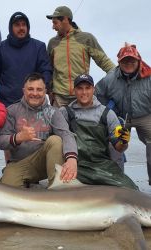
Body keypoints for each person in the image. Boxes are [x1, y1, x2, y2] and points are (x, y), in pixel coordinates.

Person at [0, 72, 78, 188]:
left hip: (43, 163)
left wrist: (71, 159)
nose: (35, 93)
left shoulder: (53, 112)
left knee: (55, 140)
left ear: (45, 92)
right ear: (24, 90)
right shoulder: (11, 110)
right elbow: (0, 141)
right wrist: (18, 137)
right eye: (30, 89)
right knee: (6, 188)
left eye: (39, 90)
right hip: (19, 163)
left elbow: (66, 134)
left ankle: (57, 190)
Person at [60, 74, 137, 190]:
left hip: (102, 166)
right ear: (74, 90)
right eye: (80, 88)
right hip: (77, 165)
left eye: (87, 88)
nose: (84, 92)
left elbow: (119, 148)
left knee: (131, 189)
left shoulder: (108, 114)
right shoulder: (64, 112)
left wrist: (124, 142)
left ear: (93, 89)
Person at [95, 43, 151, 185]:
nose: (128, 63)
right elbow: (97, 94)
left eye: (132, 60)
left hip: (144, 116)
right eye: (125, 60)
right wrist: (109, 110)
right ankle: (117, 180)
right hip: (120, 117)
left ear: (139, 60)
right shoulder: (110, 78)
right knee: (115, 144)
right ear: (119, 62)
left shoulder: (148, 76)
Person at [46, 6, 115, 107]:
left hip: (81, 96)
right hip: (59, 99)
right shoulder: (52, 43)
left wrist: (120, 76)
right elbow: (48, 69)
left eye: (55, 23)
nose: (53, 27)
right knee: (58, 123)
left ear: (65, 19)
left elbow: (104, 62)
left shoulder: (86, 38)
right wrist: (50, 90)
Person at [0, 12, 52, 107]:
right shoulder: (1, 48)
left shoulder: (39, 47)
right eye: (17, 25)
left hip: (34, 104)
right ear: (11, 28)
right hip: (7, 105)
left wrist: (39, 92)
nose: (21, 28)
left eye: (23, 24)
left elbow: (46, 71)